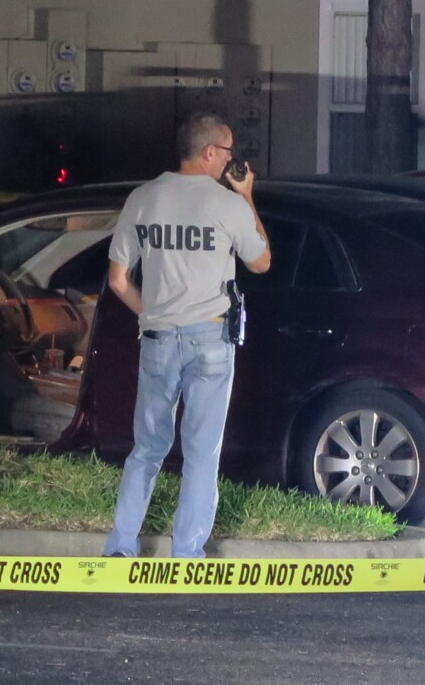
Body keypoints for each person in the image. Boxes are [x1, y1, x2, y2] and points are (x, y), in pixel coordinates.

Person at [102, 112, 271, 559]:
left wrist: (153, 314)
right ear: (210, 152)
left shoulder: (142, 198)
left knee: (146, 449)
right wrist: (248, 196)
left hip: (158, 337)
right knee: (201, 453)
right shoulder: (227, 204)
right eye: (228, 152)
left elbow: (118, 279)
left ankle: (120, 546)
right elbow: (261, 261)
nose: (231, 162)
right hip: (210, 341)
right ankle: (187, 554)